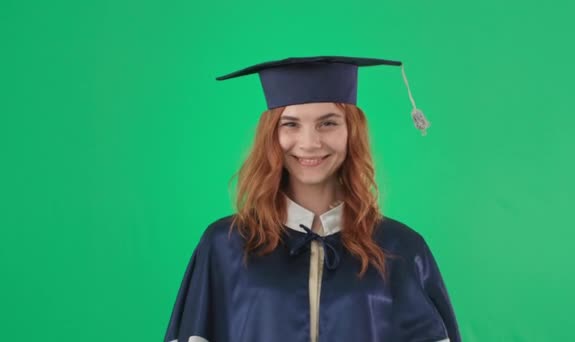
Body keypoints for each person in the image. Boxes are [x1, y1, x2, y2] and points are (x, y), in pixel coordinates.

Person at [164, 56, 460, 342]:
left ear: (351, 132)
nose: (309, 143)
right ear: (272, 135)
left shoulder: (401, 248)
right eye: (290, 124)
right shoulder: (225, 245)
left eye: (328, 123)